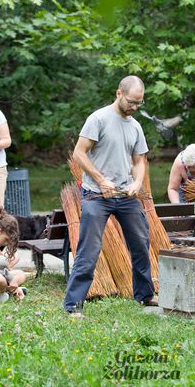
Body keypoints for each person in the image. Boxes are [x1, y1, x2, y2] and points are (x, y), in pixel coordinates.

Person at [63, 75, 156, 316]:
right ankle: (73, 305)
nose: (134, 107)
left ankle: (144, 296)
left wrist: (137, 182)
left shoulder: (135, 126)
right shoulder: (99, 119)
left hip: (126, 195)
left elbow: (139, 161)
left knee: (140, 244)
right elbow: (79, 154)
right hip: (96, 195)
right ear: (119, 93)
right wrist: (101, 179)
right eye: (131, 102)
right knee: (89, 250)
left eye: (139, 103)